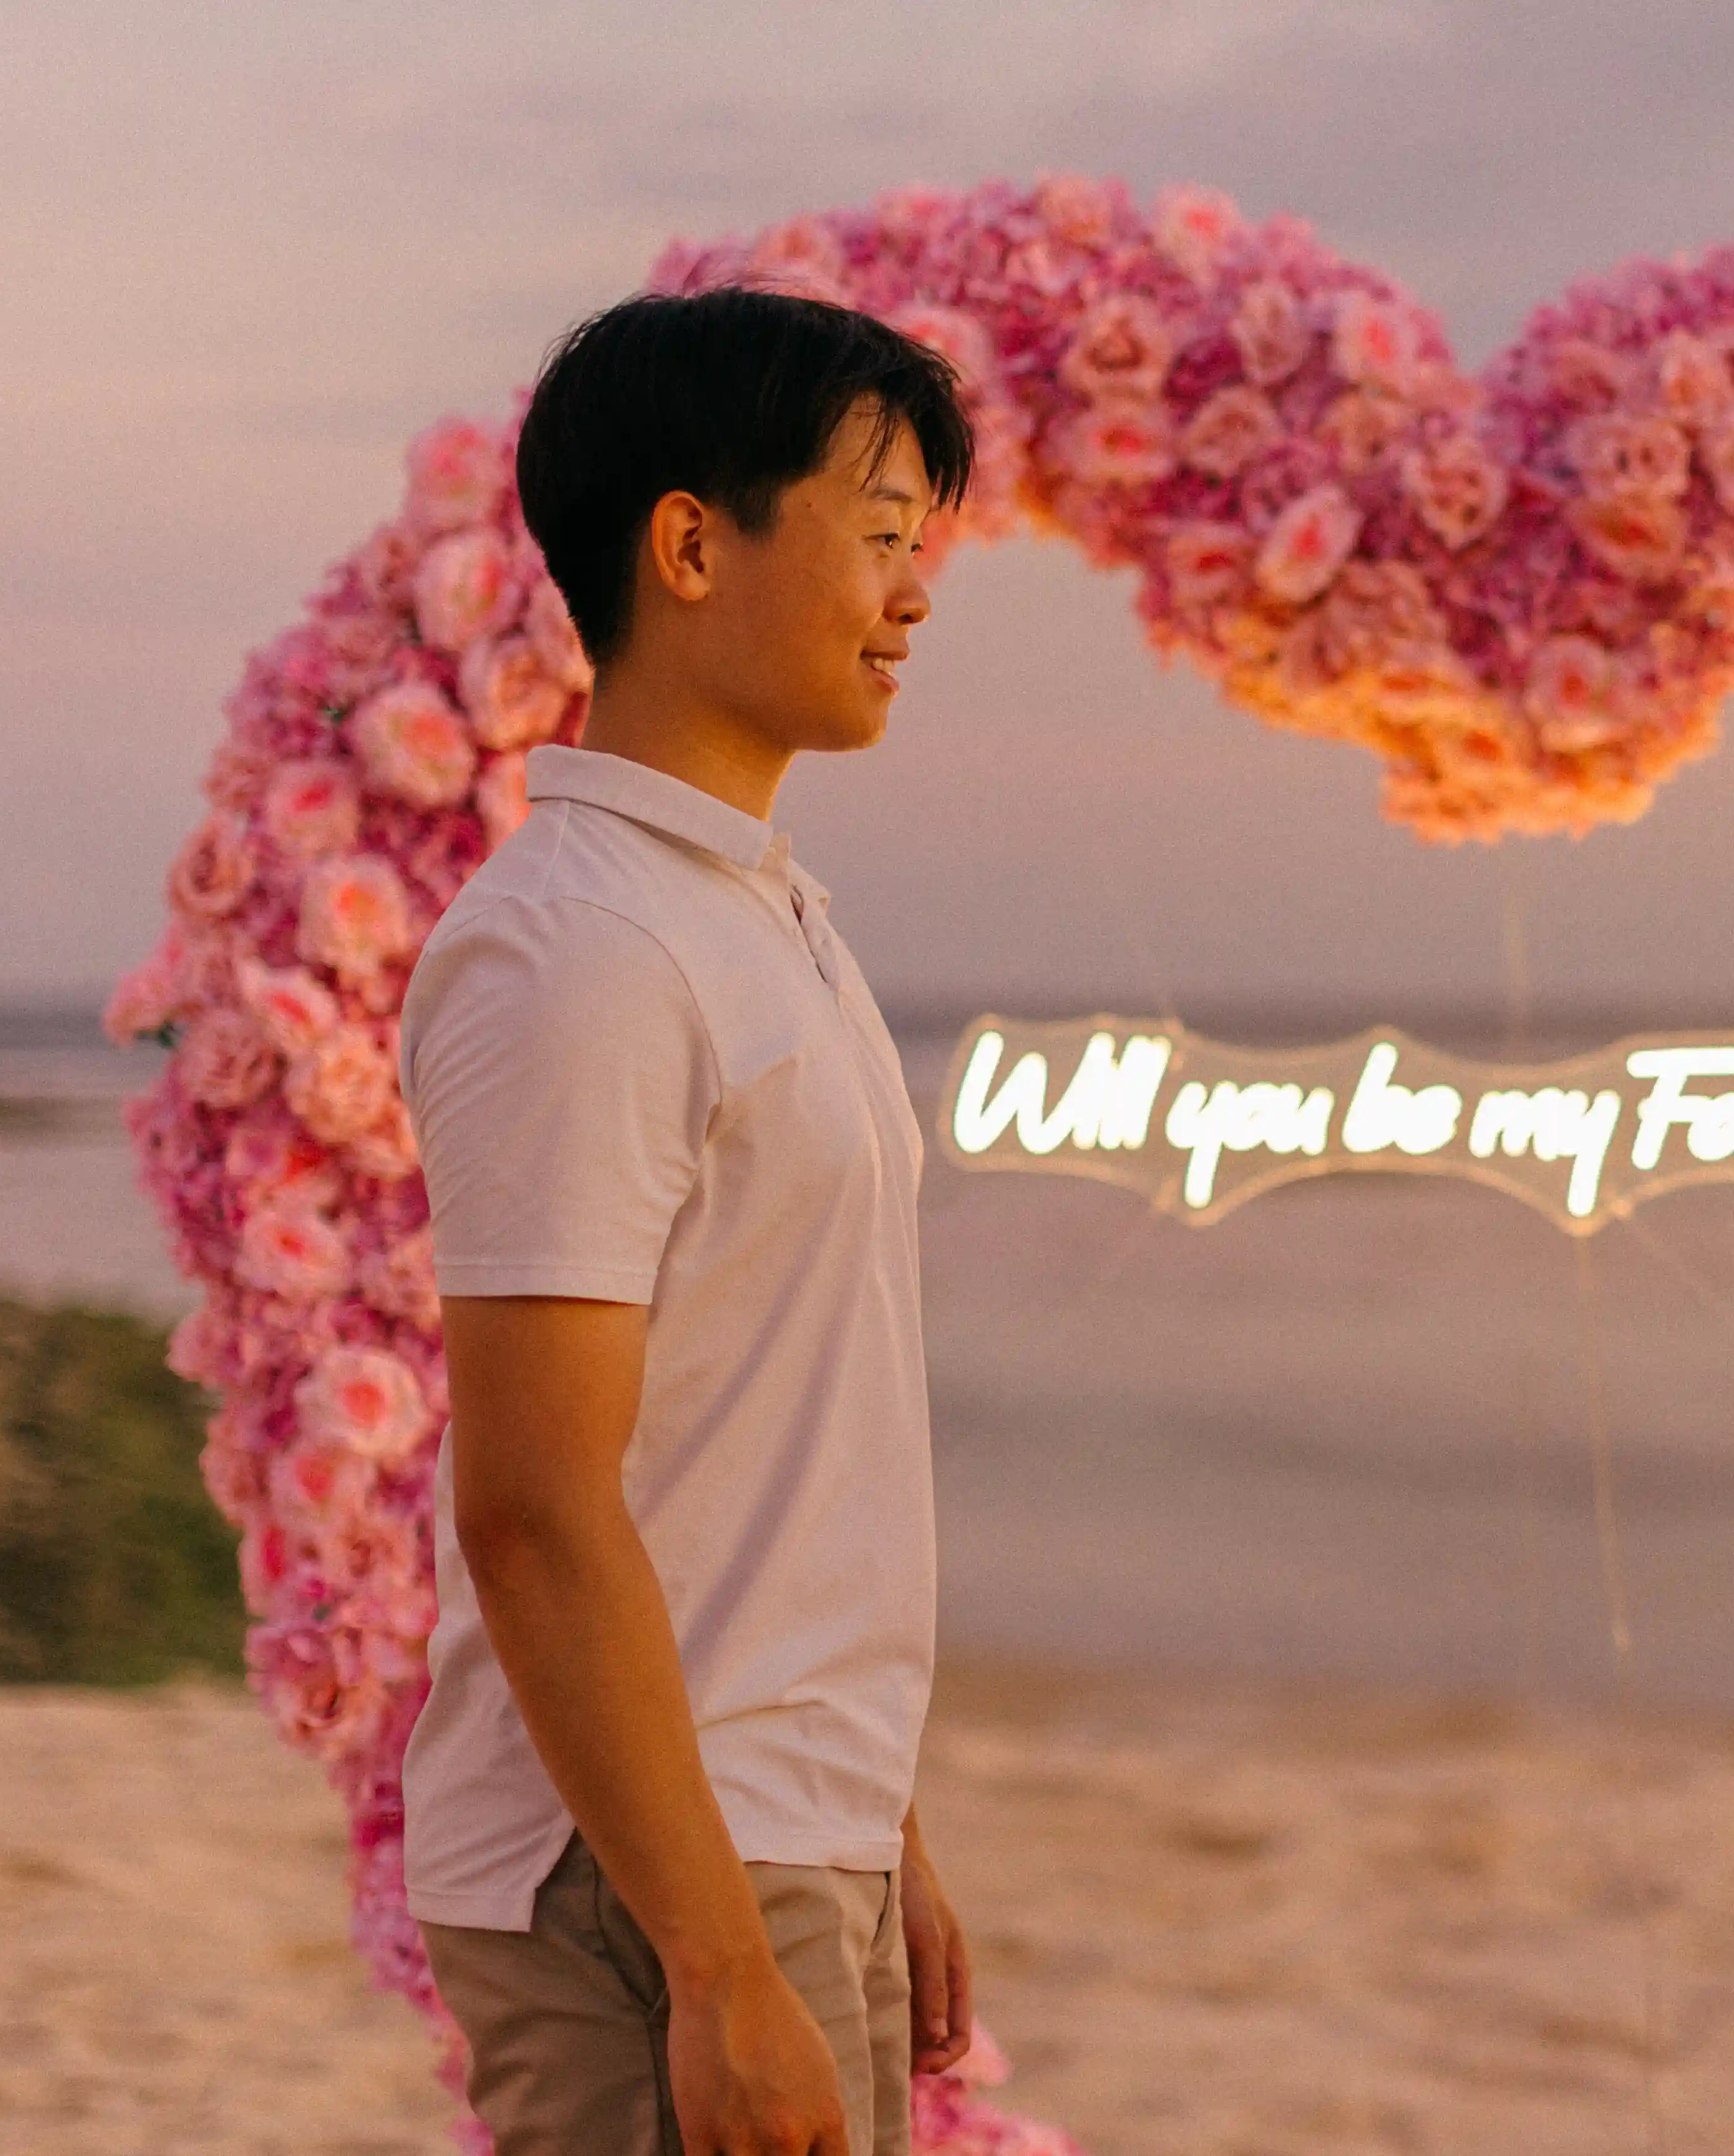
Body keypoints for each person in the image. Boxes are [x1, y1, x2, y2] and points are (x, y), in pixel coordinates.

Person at [397, 285, 976, 2156]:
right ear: (691, 546)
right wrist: (723, 1963)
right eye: (879, 533)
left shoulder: (761, 918)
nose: (915, 594)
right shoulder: (581, 947)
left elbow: (768, 1435)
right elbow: (536, 1505)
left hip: (781, 1831)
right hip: (648, 1878)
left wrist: (876, 1823)